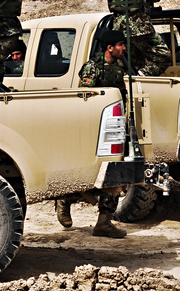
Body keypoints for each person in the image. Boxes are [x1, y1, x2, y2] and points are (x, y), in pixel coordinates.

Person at [55, 29, 128, 239]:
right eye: (120, 45)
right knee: (84, 173)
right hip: (93, 130)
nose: (124, 48)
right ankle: (64, 200)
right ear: (109, 48)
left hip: (114, 128)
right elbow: (83, 100)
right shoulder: (92, 68)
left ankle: (104, 222)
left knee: (115, 174)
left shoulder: (122, 67)